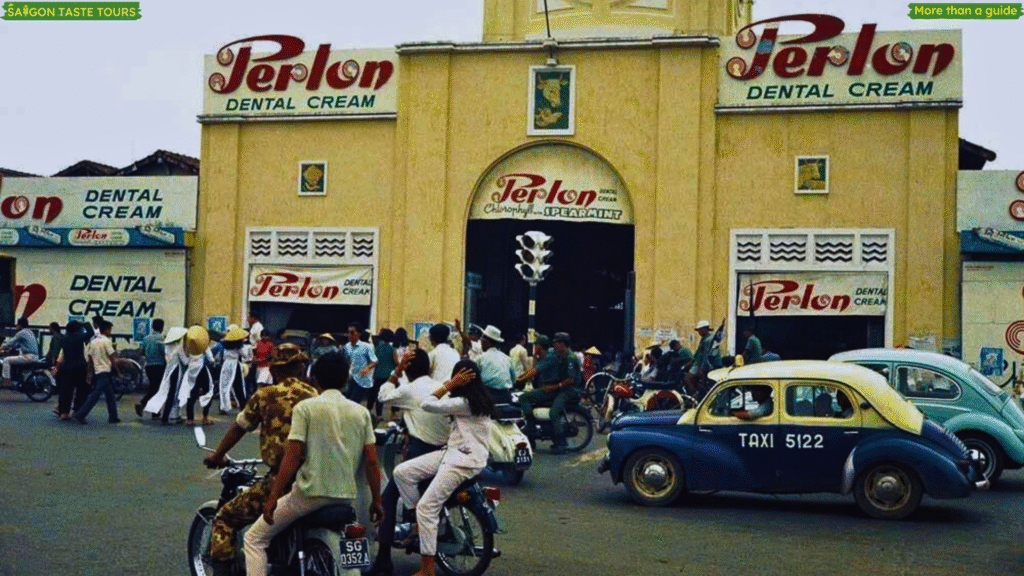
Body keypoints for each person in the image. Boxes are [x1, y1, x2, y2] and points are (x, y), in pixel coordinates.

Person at [244, 351, 384, 576]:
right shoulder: (362, 413)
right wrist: (376, 501)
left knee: (254, 538)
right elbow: (372, 462)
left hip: (308, 496)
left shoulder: (306, 408)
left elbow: (292, 457)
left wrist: (273, 497)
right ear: (347, 380)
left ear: (315, 379)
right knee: (354, 553)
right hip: (346, 498)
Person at [202, 343, 318, 576]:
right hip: (313, 477)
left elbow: (239, 427)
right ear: (300, 368)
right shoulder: (314, 395)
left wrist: (218, 455)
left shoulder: (265, 395)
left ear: (273, 370)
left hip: (280, 481)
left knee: (225, 518)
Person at [393, 360, 494, 576]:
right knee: (402, 472)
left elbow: (427, 404)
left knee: (426, 508)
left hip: (461, 461)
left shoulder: (464, 402)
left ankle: (427, 569)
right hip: (455, 453)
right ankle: (422, 525)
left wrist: (449, 384)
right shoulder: (478, 400)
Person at [371, 349, 452, 576]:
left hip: (421, 450)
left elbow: (383, 395)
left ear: (407, 369)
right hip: (445, 451)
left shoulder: (409, 390)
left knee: (387, 500)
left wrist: (397, 371)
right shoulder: (440, 387)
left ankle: (384, 560)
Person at [517, 332, 582, 454]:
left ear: (563, 344)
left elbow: (571, 380)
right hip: (558, 387)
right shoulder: (557, 355)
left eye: (557, 343)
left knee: (553, 411)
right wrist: (521, 377)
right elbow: (534, 369)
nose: (555, 346)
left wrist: (556, 386)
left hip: (569, 389)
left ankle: (559, 443)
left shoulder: (569, 358)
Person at [73, 320, 119, 424]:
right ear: (106, 330)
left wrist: (89, 373)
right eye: (110, 330)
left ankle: (113, 416)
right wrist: (118, 371)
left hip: (97, 370)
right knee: (95, 395)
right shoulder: (107, 341)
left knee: (110, 395)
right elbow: (112, 357)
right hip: (105, 370)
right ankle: (81, 414)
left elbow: (89, 359)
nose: (110, 332)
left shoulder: (93, 342)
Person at [142, 327, 188, 424]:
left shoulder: (166, 346)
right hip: (176, 370)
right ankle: (169, 416)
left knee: (166, 391)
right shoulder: (179, 347)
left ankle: (168, 414)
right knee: (174, 393)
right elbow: (185, 361)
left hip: (168, 370)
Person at [54, 320, 94, 420]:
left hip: (67, 367)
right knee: (82, 390)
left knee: (66, 391)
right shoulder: (79, 337)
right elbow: (91, 332)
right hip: (80, 367)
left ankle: (64, 412)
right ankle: (77, 409)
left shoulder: (63, 339)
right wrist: (84, 323)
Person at [208, 326, 249, 414]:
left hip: (226, 365)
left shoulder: (224, 344)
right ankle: (242, 405)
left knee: (224, 386)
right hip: (235, 365)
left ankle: (224, 407)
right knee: (239, 386)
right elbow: (245, 356)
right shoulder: (239, 346)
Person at [342, 321, 378, 408]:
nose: (349, 335)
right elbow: (347, 361)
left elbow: (375, 361)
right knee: (347, 400)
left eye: (352, 333)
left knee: (354, 402)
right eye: (348, 333)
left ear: (358, 334)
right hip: (352, 377)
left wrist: (367, 368)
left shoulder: (366, 347)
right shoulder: (347, 347)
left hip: (362, 379)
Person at [475, 325, 516, 403]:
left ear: (487, 341)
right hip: (506, 396)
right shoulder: (507, 358)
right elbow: (514, 379)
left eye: (482, 339)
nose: (481, 341)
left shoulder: (481, 358)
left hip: (488, 396)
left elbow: (474, 379)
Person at [136, 318, 166, 416]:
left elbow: (141, 352)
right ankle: (143, 403)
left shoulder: (146, 338)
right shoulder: (161, 339)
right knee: (157, 389)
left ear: (152, 327)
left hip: (149, 366)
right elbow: (164, 353)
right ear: (162, 328)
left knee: (154, 387)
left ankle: (155, 411)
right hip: (159, 366)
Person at [1, 317, 40, 386]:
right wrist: (10, 349)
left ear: (20, 325)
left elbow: (10, 343)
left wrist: (2, 348)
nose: (16, 326)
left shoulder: (21, 333)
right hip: (34, 356)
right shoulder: (30, 332)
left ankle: (7, 381)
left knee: (6, 360)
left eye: (17, 324)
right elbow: (16, 345)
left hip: (28, 356)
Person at [372, 328, 397, 420]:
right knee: (394, 394)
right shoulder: (392, 348)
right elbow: (396, 361)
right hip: (389, 375)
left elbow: (374, 361)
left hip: (378, 374)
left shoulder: (377, 348)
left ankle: (379, 415)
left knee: (379, 395)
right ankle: (393, 414)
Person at [684, 320, 713, 395]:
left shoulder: (708, 340)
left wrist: (701, 368)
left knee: (688, 378)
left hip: (702, 364)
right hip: (698, 363)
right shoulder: (705, 338)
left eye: (699, 330)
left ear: (704, 329)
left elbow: (705, 355)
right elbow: (698, 353)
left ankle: (694, 394)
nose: (698, 332)